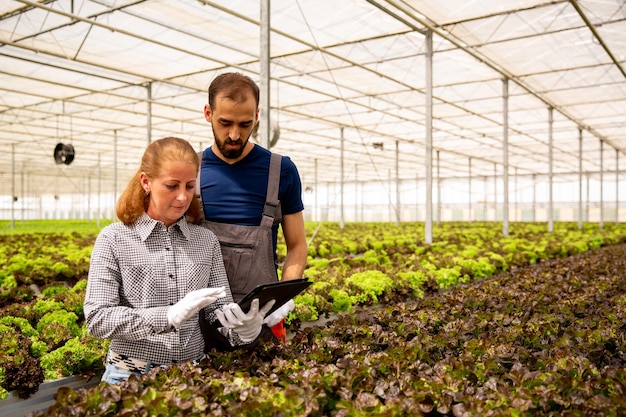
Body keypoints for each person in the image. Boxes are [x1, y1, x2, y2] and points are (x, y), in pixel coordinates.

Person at [84, 136, 274, 384]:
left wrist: (242, 329)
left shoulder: (205, 240)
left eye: (189, 186)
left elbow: (218, 311)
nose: (183, 197)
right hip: (128, 376)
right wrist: (166, 316)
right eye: (172, 186)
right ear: (146, 182)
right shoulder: (114, 238)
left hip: (191, 376)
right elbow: (98, 318)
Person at [199, 72, 308, 343]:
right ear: (208, 113)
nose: (234, 134)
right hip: (200, 324)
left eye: (245, 124)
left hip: (261, 322)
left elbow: (297, 245)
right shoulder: (191, 170)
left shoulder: (281, 170)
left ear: (256, 116)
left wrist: (284, 297)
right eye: (225, 123)